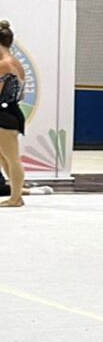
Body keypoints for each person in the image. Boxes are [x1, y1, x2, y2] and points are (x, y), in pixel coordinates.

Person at [0, 19, 25, 207]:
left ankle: (16, 197)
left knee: (11, 157)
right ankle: (16, 190)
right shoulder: (16, 63)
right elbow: (21, 92)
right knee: (3, 156)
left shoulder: (4, 64)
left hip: (4, 114)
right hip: (12, 110)